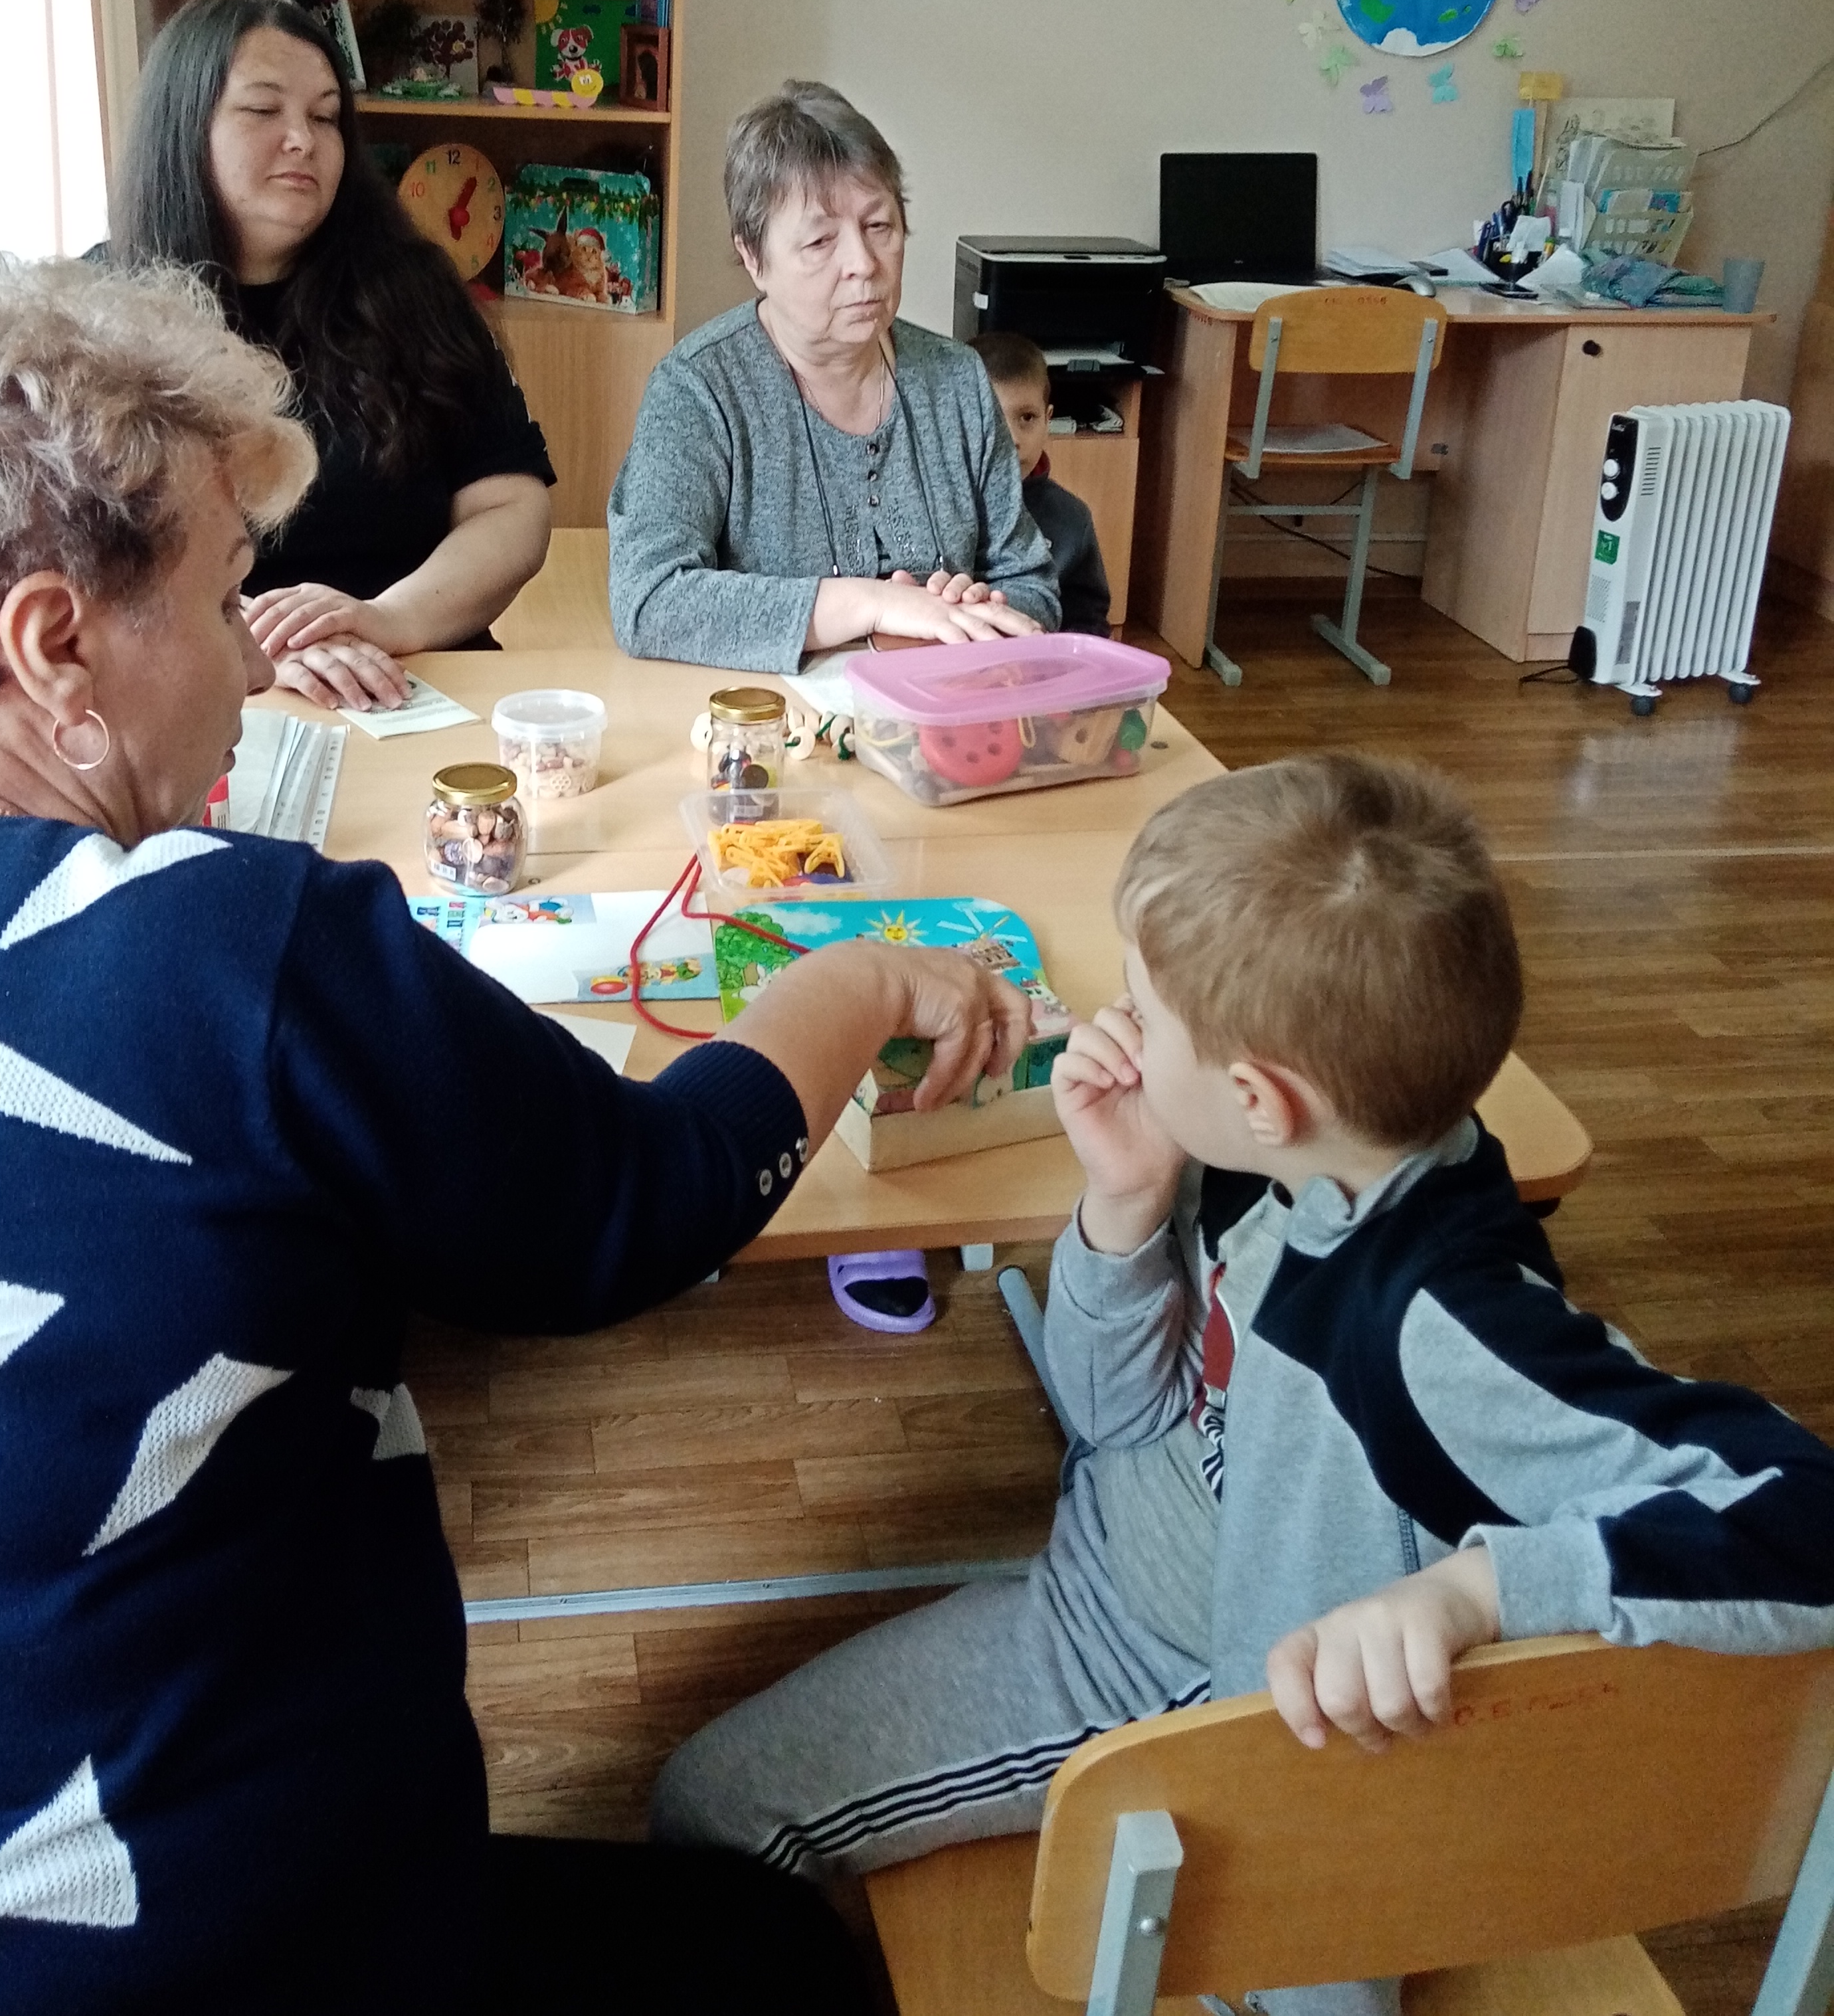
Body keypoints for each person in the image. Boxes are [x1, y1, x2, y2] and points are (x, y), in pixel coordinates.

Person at [0, 252, 1029, 2015]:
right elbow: (636, 1210)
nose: (247, 663)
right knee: (782, 1961)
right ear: (55, 648)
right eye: (224, 601)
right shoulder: (232, 944)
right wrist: (867, 979)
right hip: (189, 1958)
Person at [650, 753, 1834, 2007]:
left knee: (715, 1814)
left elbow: (1808, 1519)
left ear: (1262, 1096)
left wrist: (1477, 1591)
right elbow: (1115, 1419)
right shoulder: (1285, 1154)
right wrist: (1123, 1204)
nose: (1116, 1026)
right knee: (712, 1807)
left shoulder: (1446, 1326)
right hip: (1127, 1576)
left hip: (1170, 1678)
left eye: (1145, 1013)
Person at [111, 0, 553, 711]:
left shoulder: (415, 291)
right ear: (182, 126)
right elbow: (73, 562)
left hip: (414, 677)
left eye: (324, 116)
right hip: (207, 698)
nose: (303, 139)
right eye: (263, 110)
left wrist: (388, 620)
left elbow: (510, 505)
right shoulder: (99, 317)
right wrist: (251, 647)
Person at [608, 81, 1060, 672]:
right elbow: (649, 601)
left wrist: (978, 609)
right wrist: (872, 604)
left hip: (934, 712)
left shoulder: (958, 382)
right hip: (769, 720)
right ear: (753, 257)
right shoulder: (699, 390)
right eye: (821, 240)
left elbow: (1031, 583)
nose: (863, 265)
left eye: (880, 227)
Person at [973, 329, 1112, 636]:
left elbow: (1088, 620)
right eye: (993, 418)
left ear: (1048, 420)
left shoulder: (1072, 518)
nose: (1012, 439)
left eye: (1027, 418)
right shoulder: (939, 506)